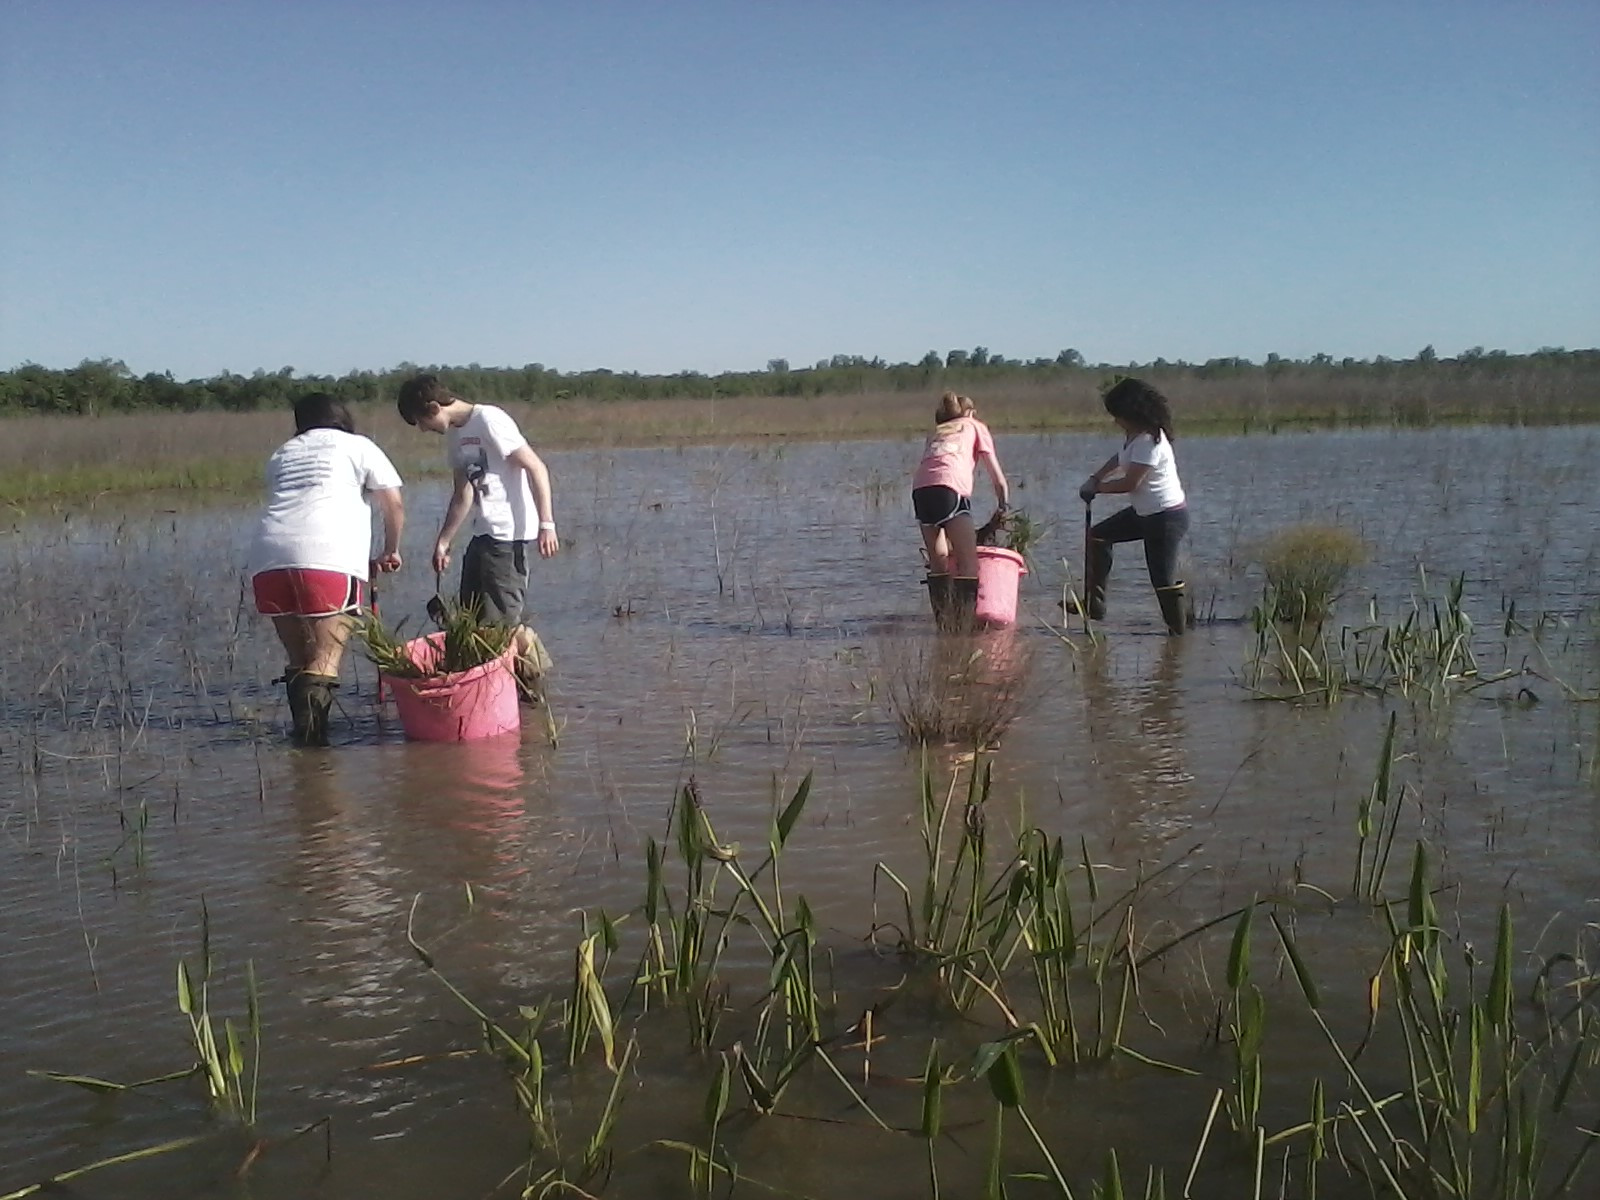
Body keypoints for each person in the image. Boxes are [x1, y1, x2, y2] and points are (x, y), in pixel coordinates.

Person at [249, 393, 404, 745]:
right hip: (328, 558)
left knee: (298, 658)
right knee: (324, 660)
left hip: (268, 557)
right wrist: (389, 551)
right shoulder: (358, 446)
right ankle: (314, 754)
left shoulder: (282, 453)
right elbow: (393, 503)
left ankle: (303, 747)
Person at [395, 374, 558, 694]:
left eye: (422, 421)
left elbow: (536, 467)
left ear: (433, 406)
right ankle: (506, 691)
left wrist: (546, 524)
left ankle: (533, 693)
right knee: (471, 623)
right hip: (481, 536)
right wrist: (443, 542)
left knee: (501, 626)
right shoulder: (456, 436)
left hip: (508, 537)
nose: (424, 430)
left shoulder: (489, 420)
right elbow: (463, 494)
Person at [1077, 376, 1191, 634]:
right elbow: (1120, 458)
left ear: (1132, 413)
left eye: (1118, 415)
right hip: (1144, 514)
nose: (1115, 420)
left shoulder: (1150, 440)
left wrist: (1098, 489)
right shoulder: (1133, 437)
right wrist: (1096, 477)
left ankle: (1178, 638)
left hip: (1166, 518)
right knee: (1098, 537)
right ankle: (1095, 604)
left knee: (1162, 580)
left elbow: (1130, 483)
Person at [911, 391, 1009, 630]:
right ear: (970, 413)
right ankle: (964, 630)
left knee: (939, 563)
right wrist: (1003, 506)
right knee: (969, 565)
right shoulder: (974, 426)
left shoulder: (938, 430)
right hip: (949, 489)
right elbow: (997, 477)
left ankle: (945, 625)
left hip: (921, 491)